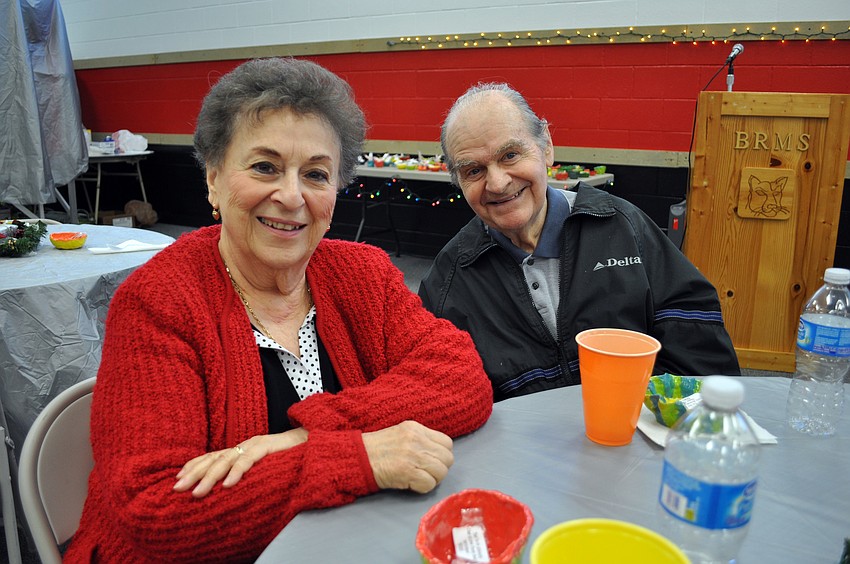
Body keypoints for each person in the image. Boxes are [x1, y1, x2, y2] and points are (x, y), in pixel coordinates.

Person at [65, 58, 493, 562]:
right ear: (214, 180)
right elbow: (158, 514)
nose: (291, 196)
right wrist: (359, 457)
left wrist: (298, 437)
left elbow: (463, 381)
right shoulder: (158, 303)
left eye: (315, 174)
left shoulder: (362, 273)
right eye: (265, 167)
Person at [419, 83, 740, 402]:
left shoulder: (623, 228)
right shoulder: (449, 282)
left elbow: (702, 356)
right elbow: (444, 400)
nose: (498, 182)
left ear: (546, 146)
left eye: (510, 155)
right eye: (474, 170)